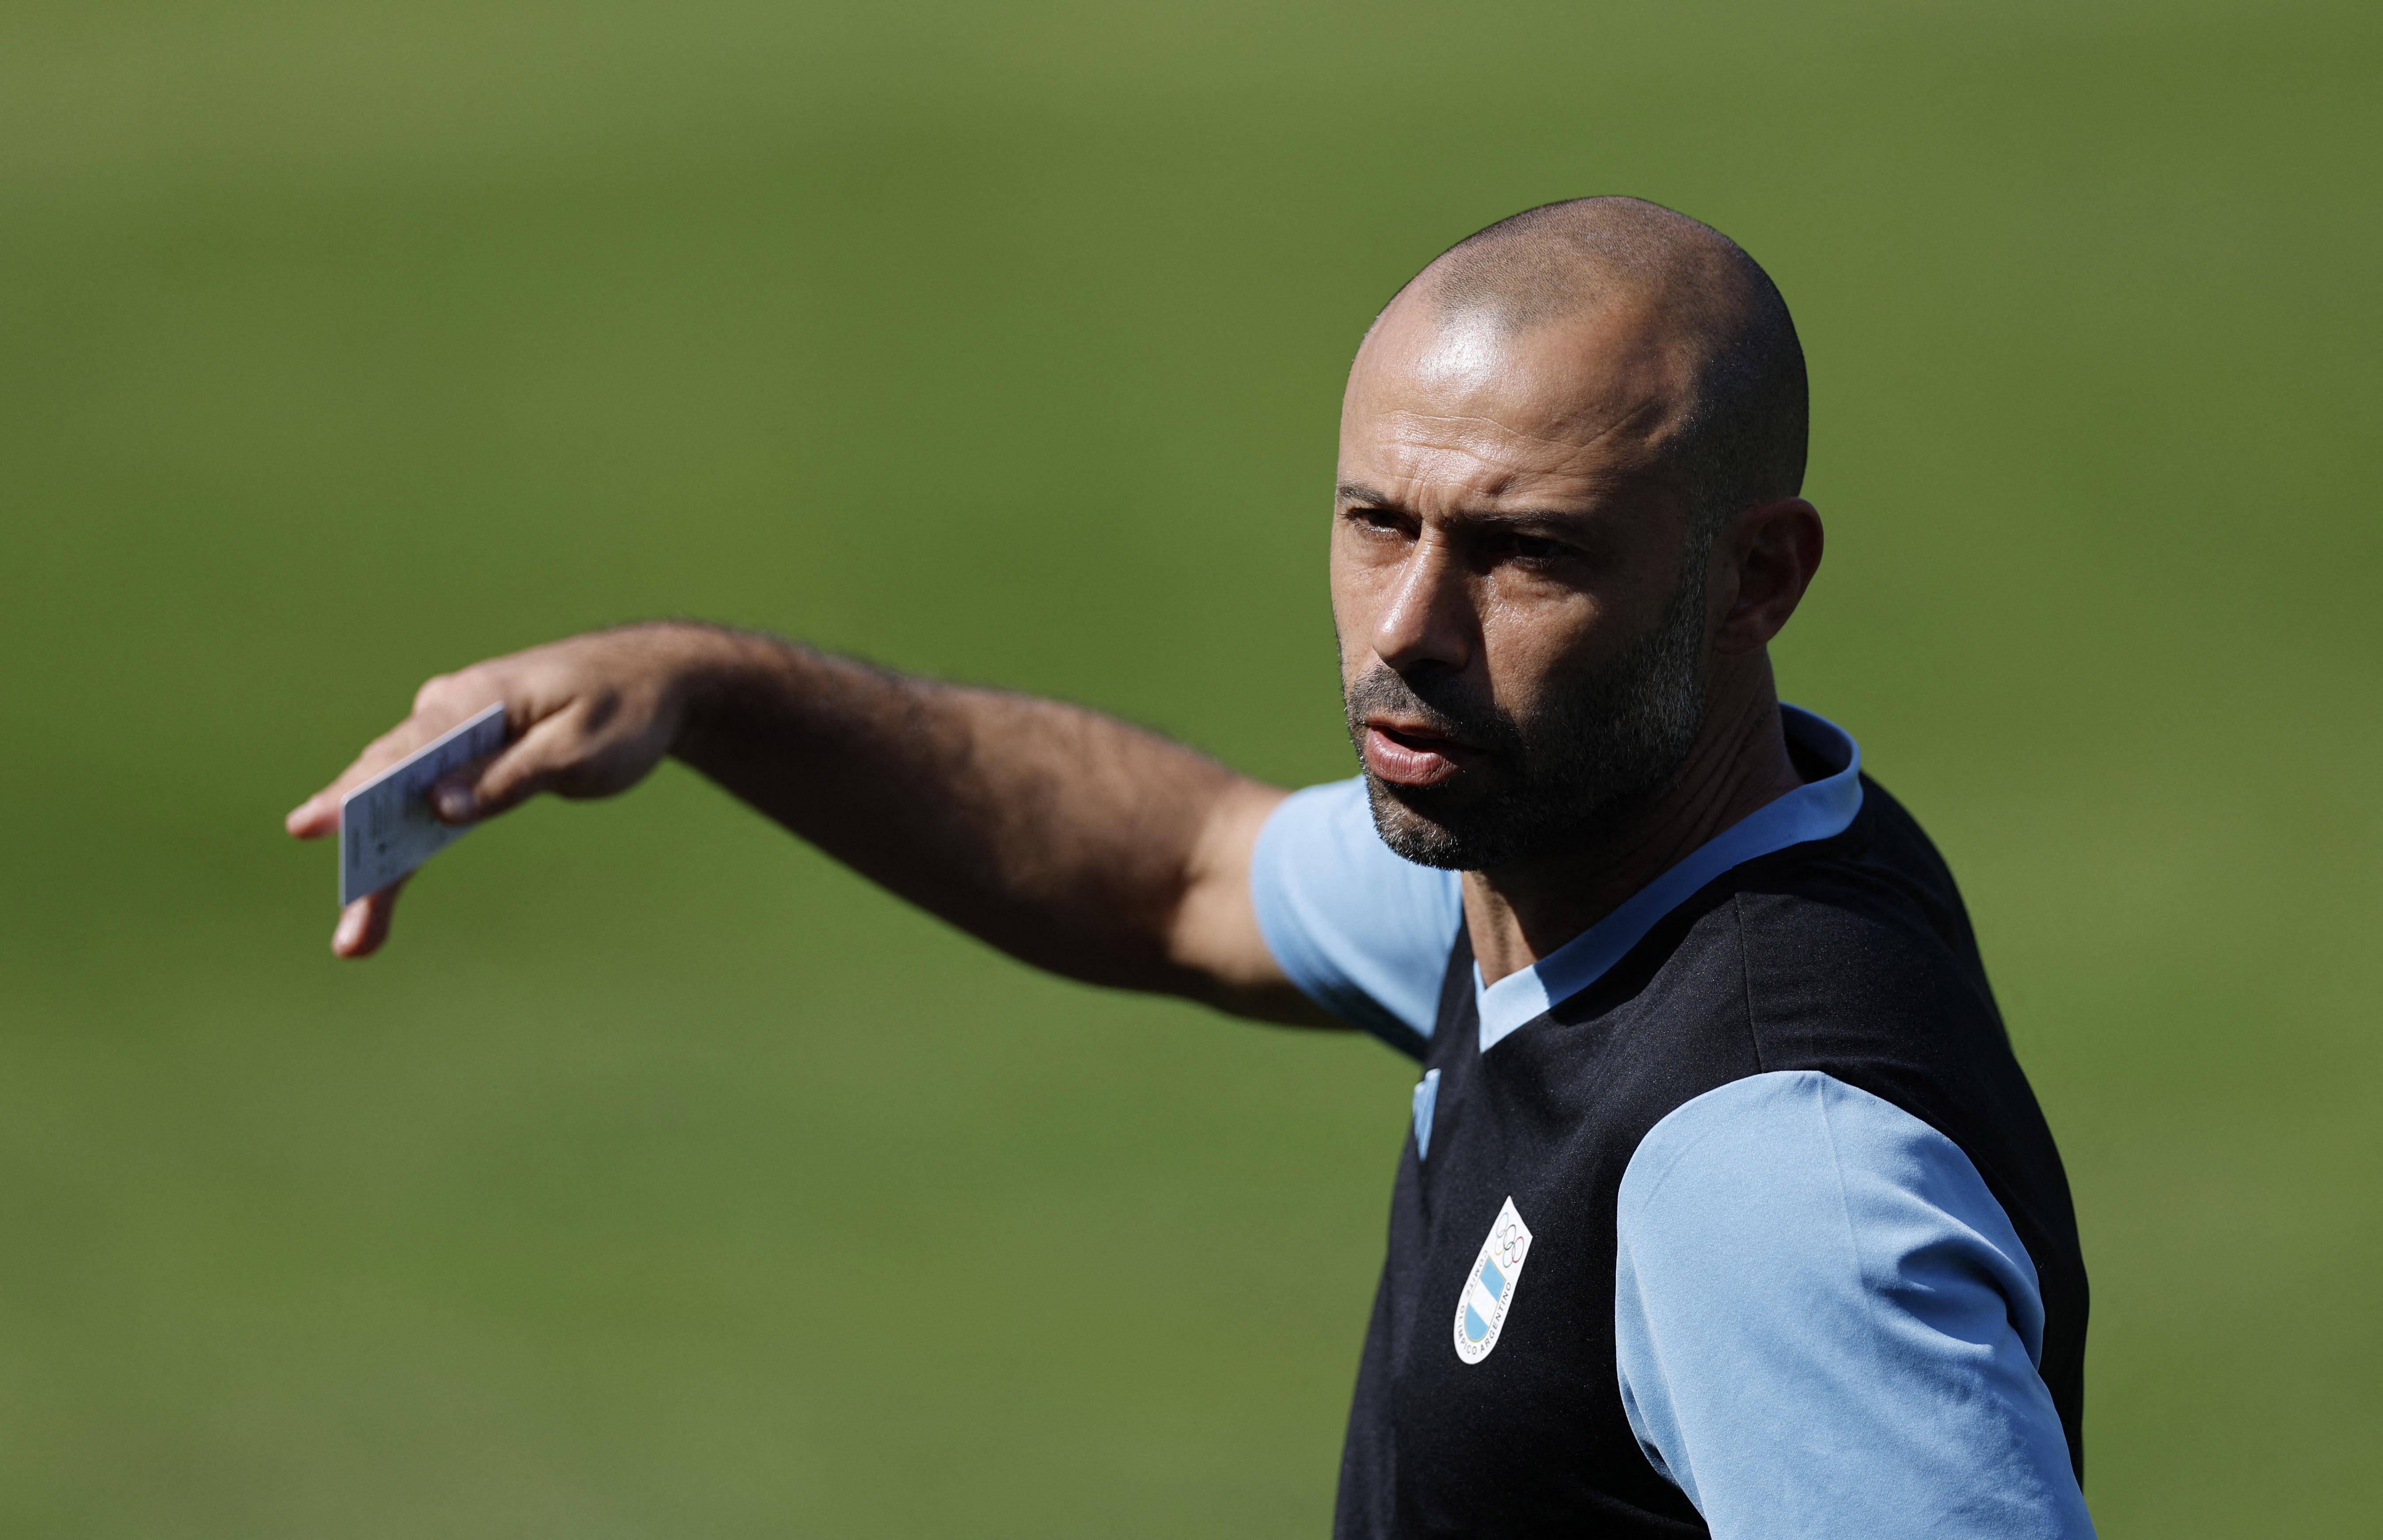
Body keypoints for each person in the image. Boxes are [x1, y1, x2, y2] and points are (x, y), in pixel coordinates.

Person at [287, 197, 2093, 1538]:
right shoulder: (1575, 853)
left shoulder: (1768, 1178)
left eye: (1524, 553)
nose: (1406, 627)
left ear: (1755, 575)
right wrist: (707, 689)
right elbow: (1187, 868)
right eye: (1374, 518)